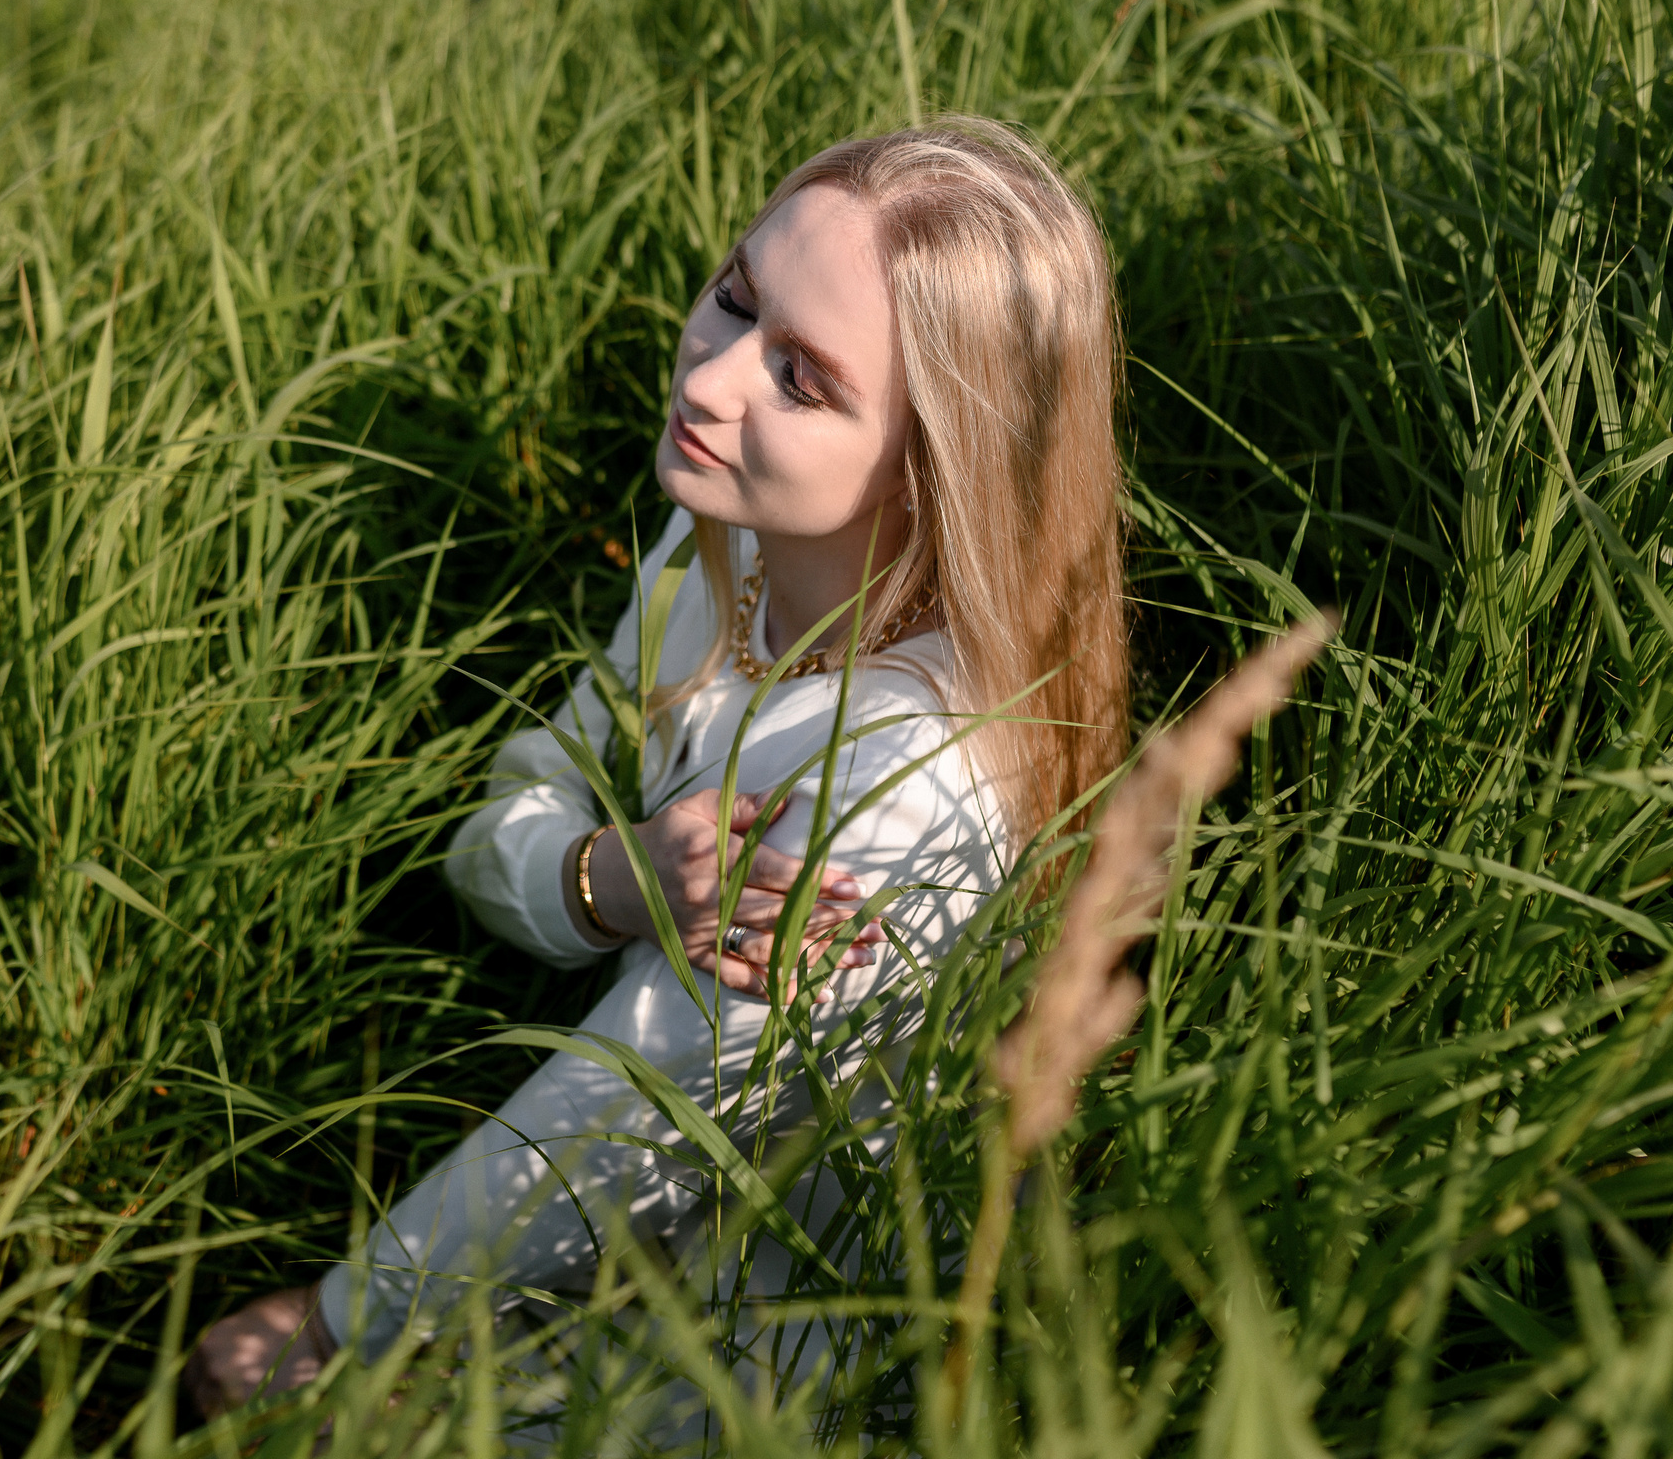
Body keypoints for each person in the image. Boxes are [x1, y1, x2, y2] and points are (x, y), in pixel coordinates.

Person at [184, 116, 1129, 1421]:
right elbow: (519, 801)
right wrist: (605, 883)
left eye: (803, 378)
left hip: (770, 1332)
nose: (712, 377)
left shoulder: (909, 784)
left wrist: (347, 1318)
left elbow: (623, 1115)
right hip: (620, 1217)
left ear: (936, 464)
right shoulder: (723, 554)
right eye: (736, 299)